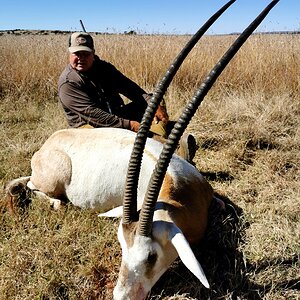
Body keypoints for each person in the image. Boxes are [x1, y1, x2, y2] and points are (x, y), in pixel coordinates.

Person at [58, 32, 197, 162]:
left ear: (93, 54)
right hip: (91, 128)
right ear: (70, 53)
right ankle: (168, 147)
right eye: (77, 54)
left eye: (85, 54)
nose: (81, 58)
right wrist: (130, 125)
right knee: (124, 136)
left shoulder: (104, 68)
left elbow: (130, 89)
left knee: (155, 99)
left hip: (116, 114)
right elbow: (95, 115)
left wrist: (153, 105)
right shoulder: (68, 82)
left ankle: (159, 135)